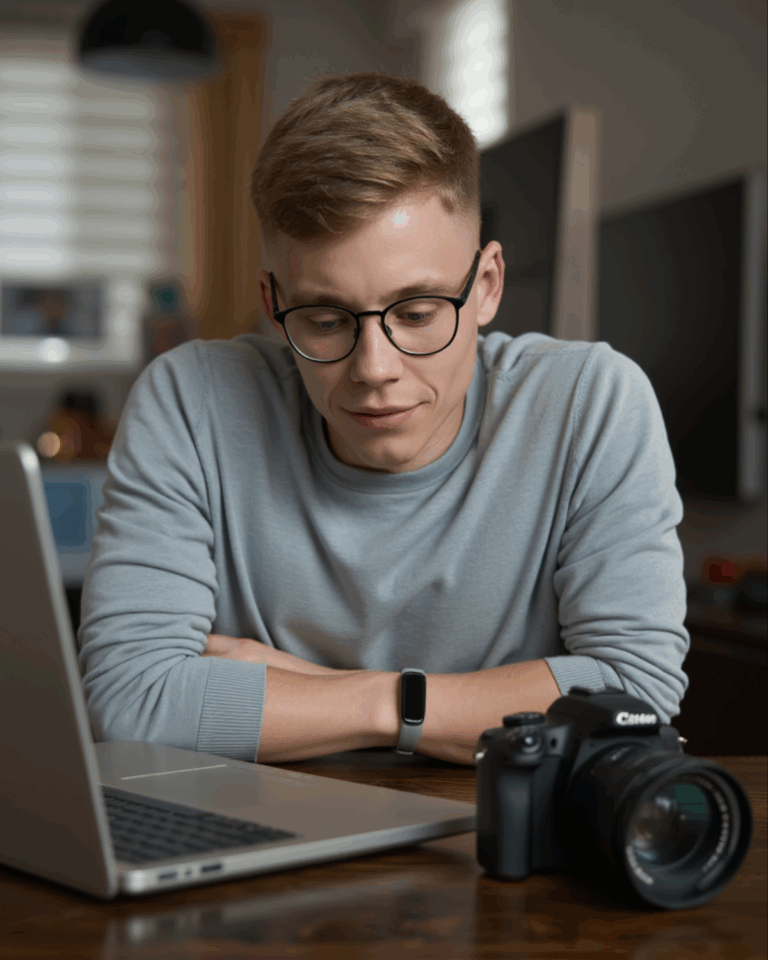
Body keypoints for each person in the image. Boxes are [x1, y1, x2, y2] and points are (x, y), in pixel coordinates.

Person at [78, 73, 689, 766]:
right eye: (326, 318)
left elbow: (635, 692)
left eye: (418, 312)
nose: (374, 368)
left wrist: (335, 694)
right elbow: (130, 702)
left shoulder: (592, 403)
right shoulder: (190, 400)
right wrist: (401, 707)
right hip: (256, 844)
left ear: (486, 286)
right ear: (272, 302)